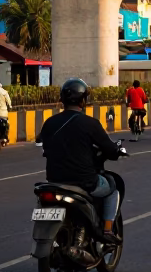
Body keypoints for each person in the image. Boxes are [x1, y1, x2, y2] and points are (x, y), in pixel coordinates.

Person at [37, 77, 123, 242]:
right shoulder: (90, 123)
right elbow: (110, 149)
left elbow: (44, 146)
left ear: (62, 99)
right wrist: (116, 152)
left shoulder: (50, 123)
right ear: (83, 100)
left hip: (54, 180)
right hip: (83, 181)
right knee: (112, 186)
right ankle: (107, 230)